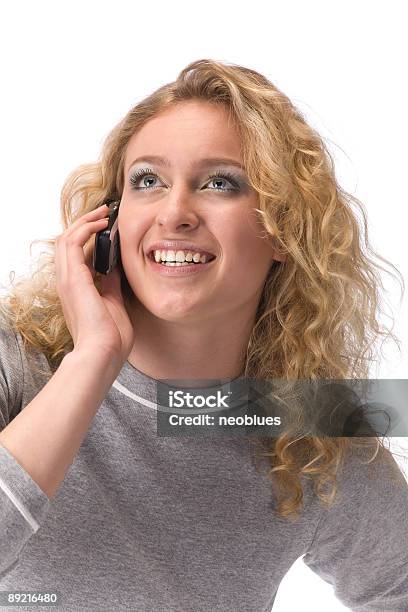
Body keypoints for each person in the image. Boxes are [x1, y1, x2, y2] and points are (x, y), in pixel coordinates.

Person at [0, 58, 407, 612]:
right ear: (109, 220)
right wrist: (92, 360)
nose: (175, 212)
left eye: (220, 183)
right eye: (148, 181)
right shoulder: (15, 364)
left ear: (285, 229)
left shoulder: (305, 422)